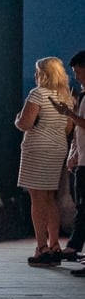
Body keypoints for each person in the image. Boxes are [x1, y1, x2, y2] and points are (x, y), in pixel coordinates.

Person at [15, 56, 73, 266]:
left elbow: (25, 124)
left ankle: (42, 248)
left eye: (37, 71)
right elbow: (68, 129)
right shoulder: (66, 97)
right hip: (58, 148)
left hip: (37, 149)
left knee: (37, 199)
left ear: (43, 74)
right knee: (50, 198)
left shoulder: (37, 94)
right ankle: (56, 244)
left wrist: (17, 119)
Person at [65, 51, 85, 264]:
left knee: (83, 206)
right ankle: (74, 246)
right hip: (82, 159)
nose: (77, 77)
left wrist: (69, 114)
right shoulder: (82, 95)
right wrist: (74, 153)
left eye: (79, 72)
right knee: (81, 205)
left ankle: (73, 246)